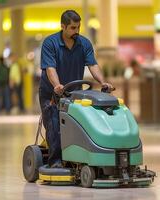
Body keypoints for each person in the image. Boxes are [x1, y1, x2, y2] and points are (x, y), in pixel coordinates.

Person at [39, 10, 113, 168]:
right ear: (63, 27)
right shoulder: (50, 43)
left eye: (78, 27)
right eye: (73, 28)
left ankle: (76, 158)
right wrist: (57, 85)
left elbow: (92, 64)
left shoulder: (84, 43)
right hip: (52, 93)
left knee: (77, 126)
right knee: (55, 126)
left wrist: (102, 82)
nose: (76, 31)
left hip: (74, 94)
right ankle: (56, 162)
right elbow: (50, 68)